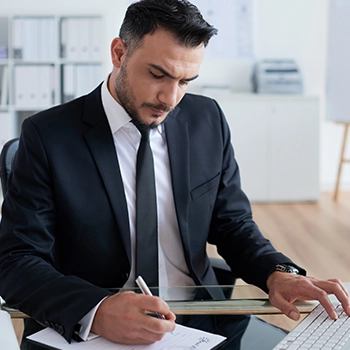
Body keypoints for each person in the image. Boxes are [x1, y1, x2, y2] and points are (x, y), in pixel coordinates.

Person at [0, 0, 349, 349]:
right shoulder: (48, 136)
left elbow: (233, 225)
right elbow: (16, 260)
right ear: (119, 53)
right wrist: (99, 309)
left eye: (185, 81)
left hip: (204, 321)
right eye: (157, 75)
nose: (170, 98)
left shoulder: (206, 119)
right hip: (96, 329)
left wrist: (278, 273)